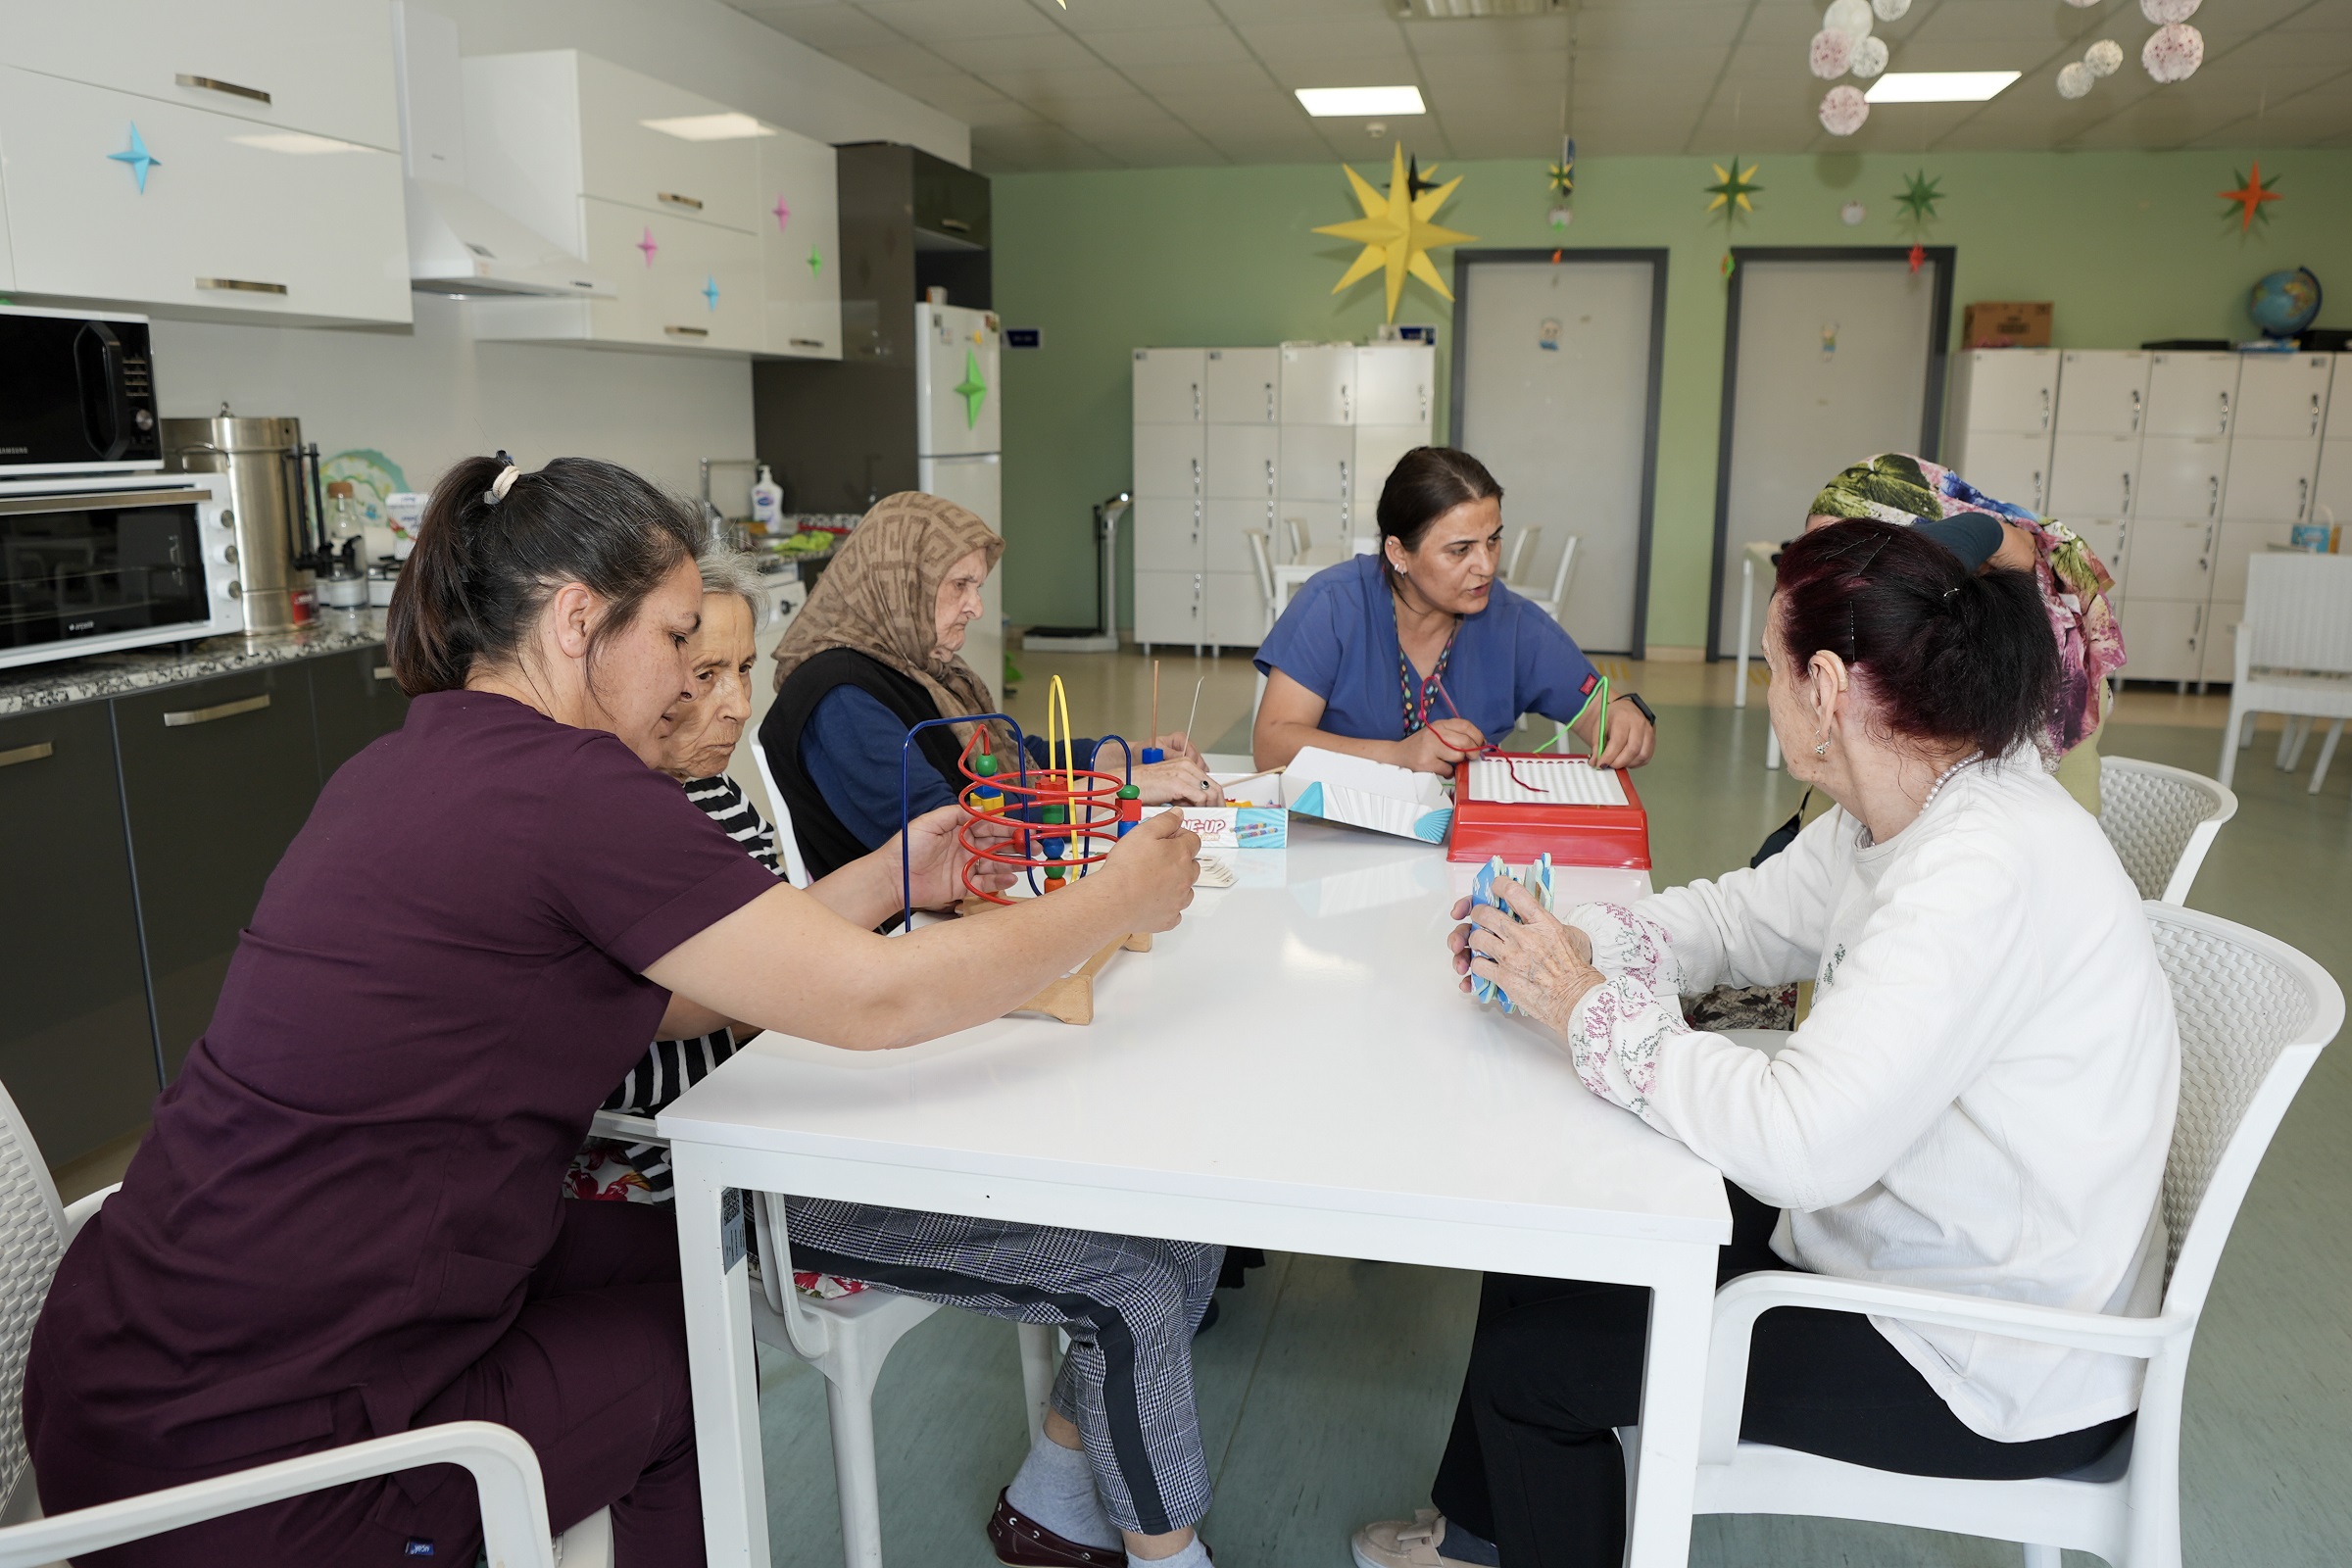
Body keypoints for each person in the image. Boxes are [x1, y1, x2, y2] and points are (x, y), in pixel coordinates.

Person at [25, 454, 1207, 1568]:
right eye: (681, 637)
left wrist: (898, 875)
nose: (697, 678)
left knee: (687, 1260)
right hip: (263, 1462)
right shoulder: (575, 787)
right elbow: (881, 1000)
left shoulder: (405, 761)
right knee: (697, 1352)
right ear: (580, 623)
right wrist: (1114, 898)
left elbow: (678, 995)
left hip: (127, 1367)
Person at [1353, 519, 2178, 1568]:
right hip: (1908, 1239)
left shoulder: (1979, 870)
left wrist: (1585, 1007)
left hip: (1982, 1356)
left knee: (1536, 1368)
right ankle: (1481, 1538)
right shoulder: (1913, 792)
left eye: (1771, 668)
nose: (1763, 692)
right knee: (1549, 1225)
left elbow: (1801, 1139)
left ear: (1827, 685)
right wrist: (1571, 945)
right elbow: (1741, 921)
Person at [762, 491, 1223, 883]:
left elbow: (1002, 756)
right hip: (909, 928)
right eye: (960, 585)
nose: (976, 607)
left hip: (984, 881)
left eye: (977, 586)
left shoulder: (912, 665)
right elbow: (952, 831)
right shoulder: (840, 698)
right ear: (900, 584)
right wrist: (1118, 792)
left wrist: (1125, 757)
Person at [568, 547, 776, 1205]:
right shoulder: (603, 819)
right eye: (707, 673)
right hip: (660, 1151)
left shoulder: (719, 797)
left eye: (744, 671)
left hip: (755, 1108)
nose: (739, 705)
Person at [1252, 447, 1655, 778]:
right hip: (1334, 836)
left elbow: (1598, 710)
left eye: (1493, 541)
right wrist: (1396, 756)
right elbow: (1272, 744)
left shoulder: (1513, 625)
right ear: (1398, 553)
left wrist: (1623, 720)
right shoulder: (1334, 605)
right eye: (1460, 550)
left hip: (1462, 852)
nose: (1486, 565)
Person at [1804, 452, 2125, 812]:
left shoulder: (2004, 602)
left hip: (2036, 821)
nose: (1829, 573)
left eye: (1844, 554)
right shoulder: (1927, 600)